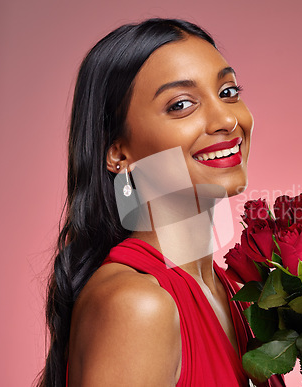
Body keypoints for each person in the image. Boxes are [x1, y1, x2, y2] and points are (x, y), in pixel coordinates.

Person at [37, 18, 285, 387]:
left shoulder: (238, 295)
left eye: (229, 92)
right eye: (181, 104)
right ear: (118, 152)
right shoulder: (137, 304)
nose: (226, 119)